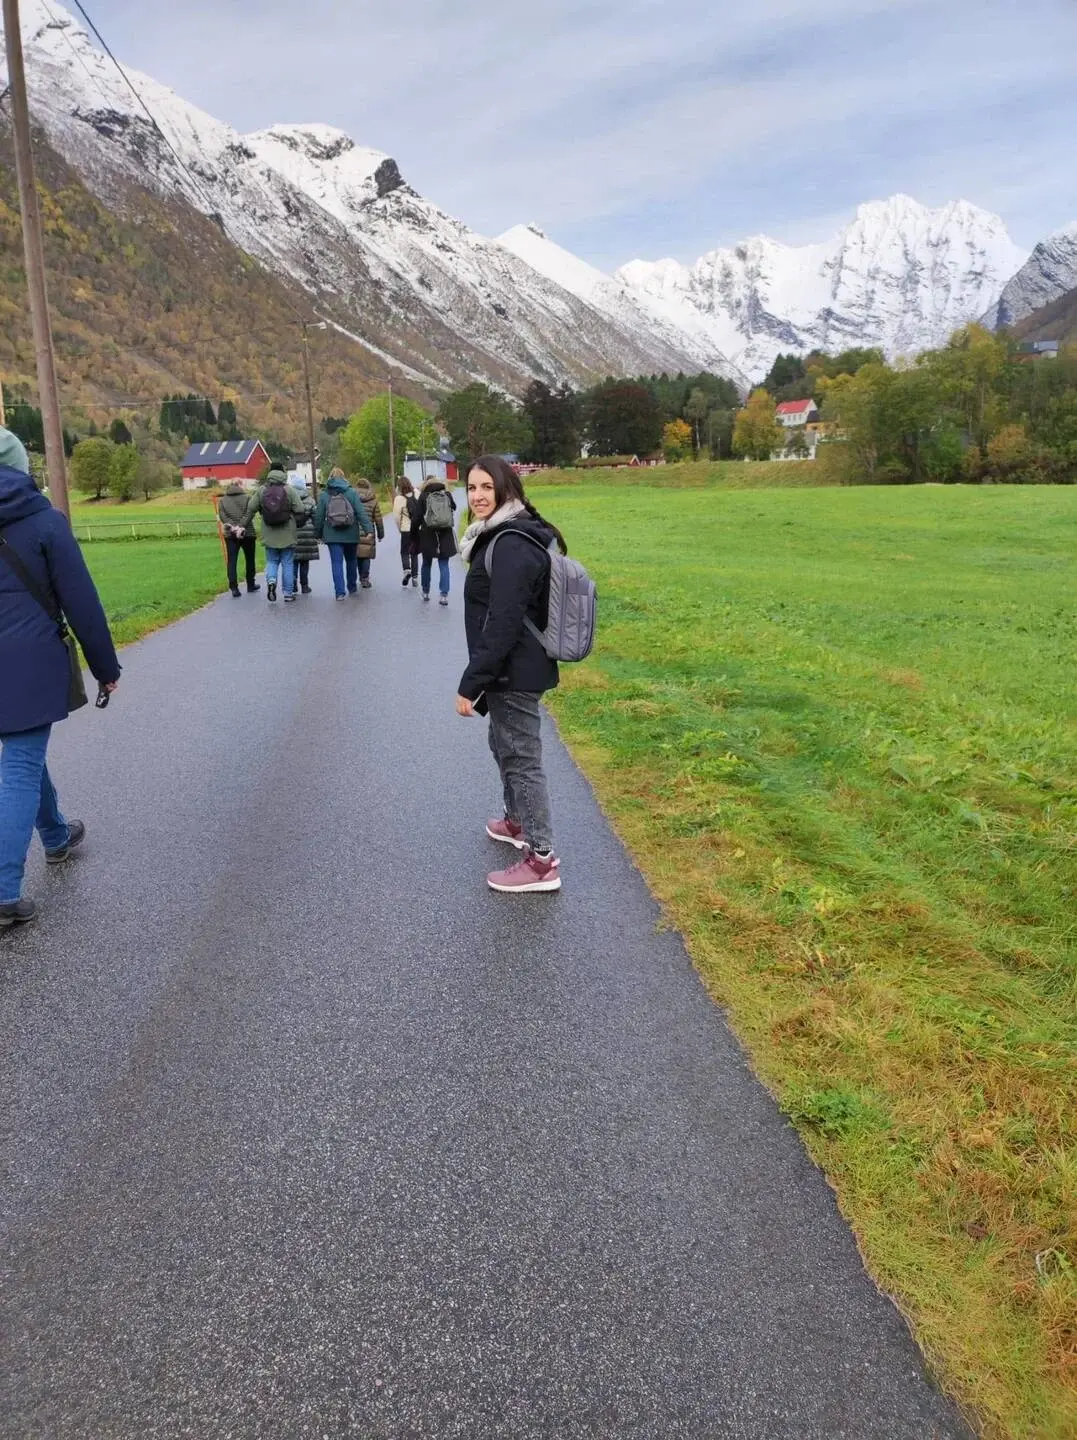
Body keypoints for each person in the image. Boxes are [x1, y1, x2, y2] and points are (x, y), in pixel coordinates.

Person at [0, 429, 121, 929]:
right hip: (28, 663)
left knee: (22, 756)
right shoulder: (46, 522)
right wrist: (105, 670)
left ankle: (54, 836)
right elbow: (82, 603)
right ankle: (5, 891)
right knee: (21, 766)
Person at [455, 455, 564, 894]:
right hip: (508, 668)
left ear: (506, 489)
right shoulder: (497, 534)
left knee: (522, 759)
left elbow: (502, 621)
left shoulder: (513, 542)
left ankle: (542, 861)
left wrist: (471, 681)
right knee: (503, 745)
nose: (478, 496)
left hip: (515, 670)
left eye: (486, 487)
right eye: (471, 488)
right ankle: (517, 820)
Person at [243, 467, 306, 603]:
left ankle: (271, 582)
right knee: (287, 563)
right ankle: (288, 593)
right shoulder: (289, 490)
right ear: (283, 474)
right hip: (287, 533)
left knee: (272, 561)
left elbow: (251, 508)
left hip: (269, 533)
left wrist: (242, 525)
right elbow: (300, 508)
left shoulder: (262, 490)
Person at [313, 467, 373, 600]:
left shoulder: (324, 494)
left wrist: (317, 534)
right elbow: (360, 512)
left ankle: (340, 592)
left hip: (332, 534)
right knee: (351, 560)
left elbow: (319, 516)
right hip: (351, 533)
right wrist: (368, 529)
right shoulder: (352, 493)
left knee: (336, 562)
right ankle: (352, 587)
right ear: (344, 477)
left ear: (330, 478)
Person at [416, 474, 457, 606]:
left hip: (428, 534)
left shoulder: (423, 496)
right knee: (444, 565)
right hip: (445, 534)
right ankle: (444, 595)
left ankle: (426, 592)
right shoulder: (447, 494)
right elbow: (454, 507)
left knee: (426, 564)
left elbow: (416, 518)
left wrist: (413, 535)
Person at [216, 481, 260, 597]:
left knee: (232, 561)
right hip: (248, 533)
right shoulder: (247, 498)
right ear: (240, 485)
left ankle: (234, 587)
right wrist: (241, 526)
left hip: (230, 534)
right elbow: (249, 513)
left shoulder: (222, 500)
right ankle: (251, 584)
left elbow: (222, 516)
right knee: (250, 559)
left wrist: (234, 527)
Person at [353, 475, 384, 589]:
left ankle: (357, 576)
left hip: (354, 530)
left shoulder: (352, 497)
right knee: (366, 555)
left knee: (356, 554)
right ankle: (364, 578)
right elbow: (378, 519)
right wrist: (381, 534)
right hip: (368, 532)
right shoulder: (373, 500)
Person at [292, 477, 320, 595]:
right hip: (307, 534)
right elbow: (316, 518)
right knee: (304, 562)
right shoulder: (310, 500)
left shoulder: (289, 499)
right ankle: (304, 586)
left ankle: (292, 586)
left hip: (292, 533)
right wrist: (318, 533)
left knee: (292, 561)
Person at [392, 476, 419, 588]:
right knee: (414, 553)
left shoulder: (399, 499)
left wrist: (400, 528)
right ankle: (415, 578)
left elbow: (397, 517)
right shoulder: (417, 493)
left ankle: (407, 571)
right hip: (416, 529)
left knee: (404, 552)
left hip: (406, 529)